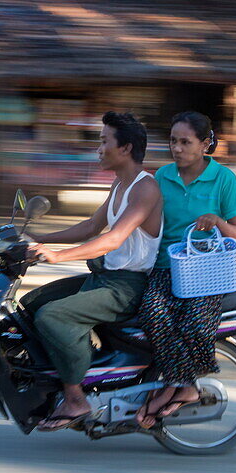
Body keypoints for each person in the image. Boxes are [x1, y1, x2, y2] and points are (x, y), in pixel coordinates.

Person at [23, 111, 163, 432]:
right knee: (32, 304)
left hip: (127, 287)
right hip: (106, 277)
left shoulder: (146, 188)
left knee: (52, 316)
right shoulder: (120, 184)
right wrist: (35, 239)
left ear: (125, 148)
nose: (98, 149)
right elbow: (90, 226)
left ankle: (76, 399)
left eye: (103, 141)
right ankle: (60, 373)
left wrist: (57, 256)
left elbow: (111, 239)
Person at [134, 111, 236, 429]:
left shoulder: (224, 179)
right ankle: (183, 385)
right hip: (165, 266)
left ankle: (175, 386)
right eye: (173, 141)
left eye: (186, 142)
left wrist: (219, 221)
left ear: (204, 145)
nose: (178, 148)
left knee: (195, 322)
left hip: (206, 272)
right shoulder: (161, 177)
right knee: (153, 312)